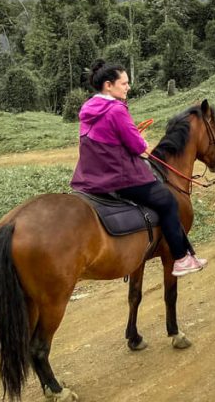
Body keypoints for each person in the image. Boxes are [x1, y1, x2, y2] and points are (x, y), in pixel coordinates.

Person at [71, 59, 206, 277]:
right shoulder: (116, 110)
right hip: (118, 178)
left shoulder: (88, 108)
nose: (128, 87)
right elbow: (138, 147)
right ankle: (180, 258)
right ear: (108, 85)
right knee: (168, 200)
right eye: (124, 83)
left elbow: (106, 140)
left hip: (91, 178)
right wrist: (140, 139)